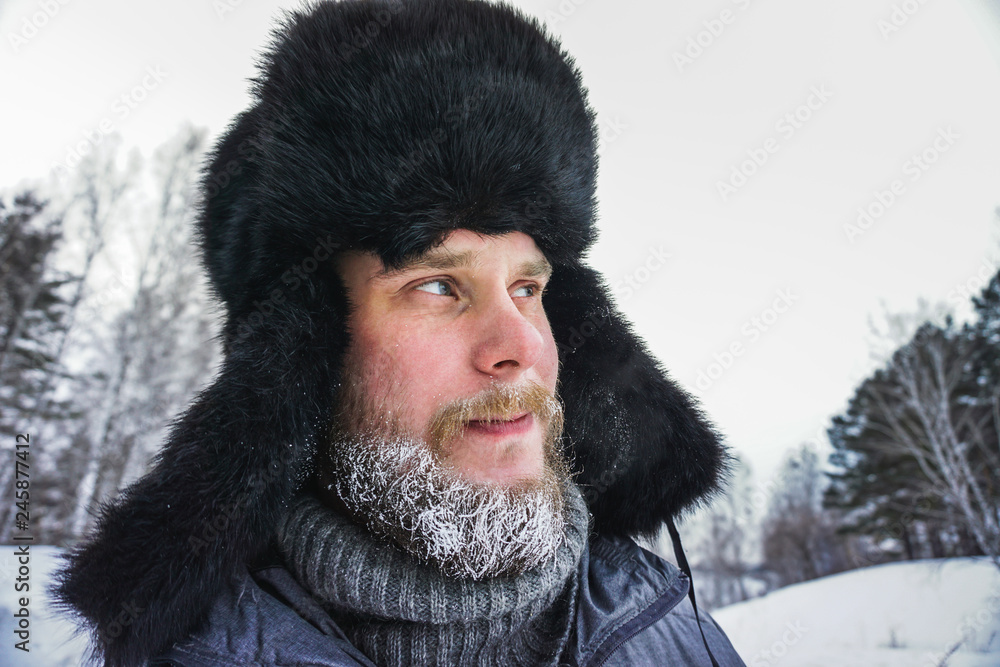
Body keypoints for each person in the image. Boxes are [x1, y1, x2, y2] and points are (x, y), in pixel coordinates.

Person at [54, 0, 745, 665]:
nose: (522, 349)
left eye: (528, 289)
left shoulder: (676, 629)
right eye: (439, 285)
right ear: (305, 358)